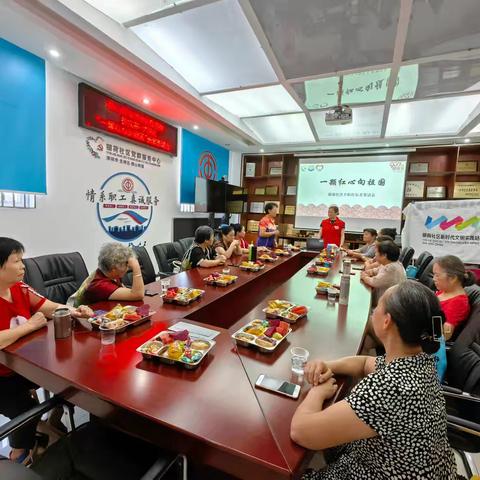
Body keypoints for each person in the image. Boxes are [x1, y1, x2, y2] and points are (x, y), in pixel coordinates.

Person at [290, 281, 457, 479]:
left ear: (387, 321)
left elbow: (301, 431)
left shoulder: (390, 387)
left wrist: (317, 392)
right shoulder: (419, 360)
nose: (374, 311)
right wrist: (328, 365)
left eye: (377, 306)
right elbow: (364, 363)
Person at [0, 238, 93, 464]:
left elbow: (50, 307)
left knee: (66, 378)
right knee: (26, 408)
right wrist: (30, 326)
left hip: (23, 365)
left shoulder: (20, 288)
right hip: (2, 376)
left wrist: (75, 311)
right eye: (17, 261)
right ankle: (19, 454)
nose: (23, 266)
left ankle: (48, 426)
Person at [72, 243, 145, 305]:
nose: (128, 267)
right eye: (126, 264)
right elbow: (138, 295)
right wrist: (136, 268)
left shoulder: (108, 272)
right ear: (113, 269)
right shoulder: (100, 285)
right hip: (83, 319)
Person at [433, 255, 475, 340]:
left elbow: (445, 335)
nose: (434, 279)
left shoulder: (458, 302)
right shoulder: (445, 290)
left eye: (437, 275)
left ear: (452, 278)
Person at [360, 240, 406, 305]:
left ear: (384, 255)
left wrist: (364, 277)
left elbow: (374, 281)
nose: (375, 255)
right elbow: (376, 270)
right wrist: (368, 272)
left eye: (376, 252)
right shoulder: (389, 263)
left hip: (388, 306)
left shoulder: (391, 268)